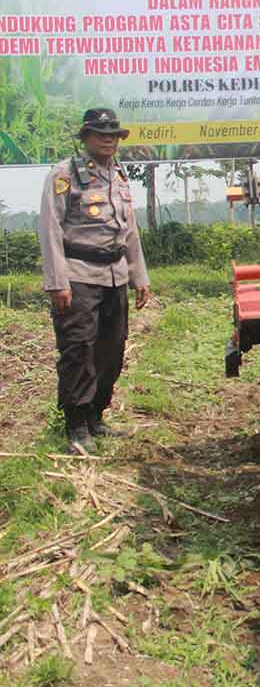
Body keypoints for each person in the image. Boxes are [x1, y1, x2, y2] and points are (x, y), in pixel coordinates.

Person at [38, 107, 150, 454]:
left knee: (112, 350)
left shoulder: (118, 175)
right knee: (78, 350)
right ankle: (75, 423)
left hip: (115, 275)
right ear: (85, 137)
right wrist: (58, 282)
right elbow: (50, 230)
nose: (108, 139)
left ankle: (96, 415)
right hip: (78, 275)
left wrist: (139, 276)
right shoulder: (64, 174)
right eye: (100, 133)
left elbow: (130, 231)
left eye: (114, 134)